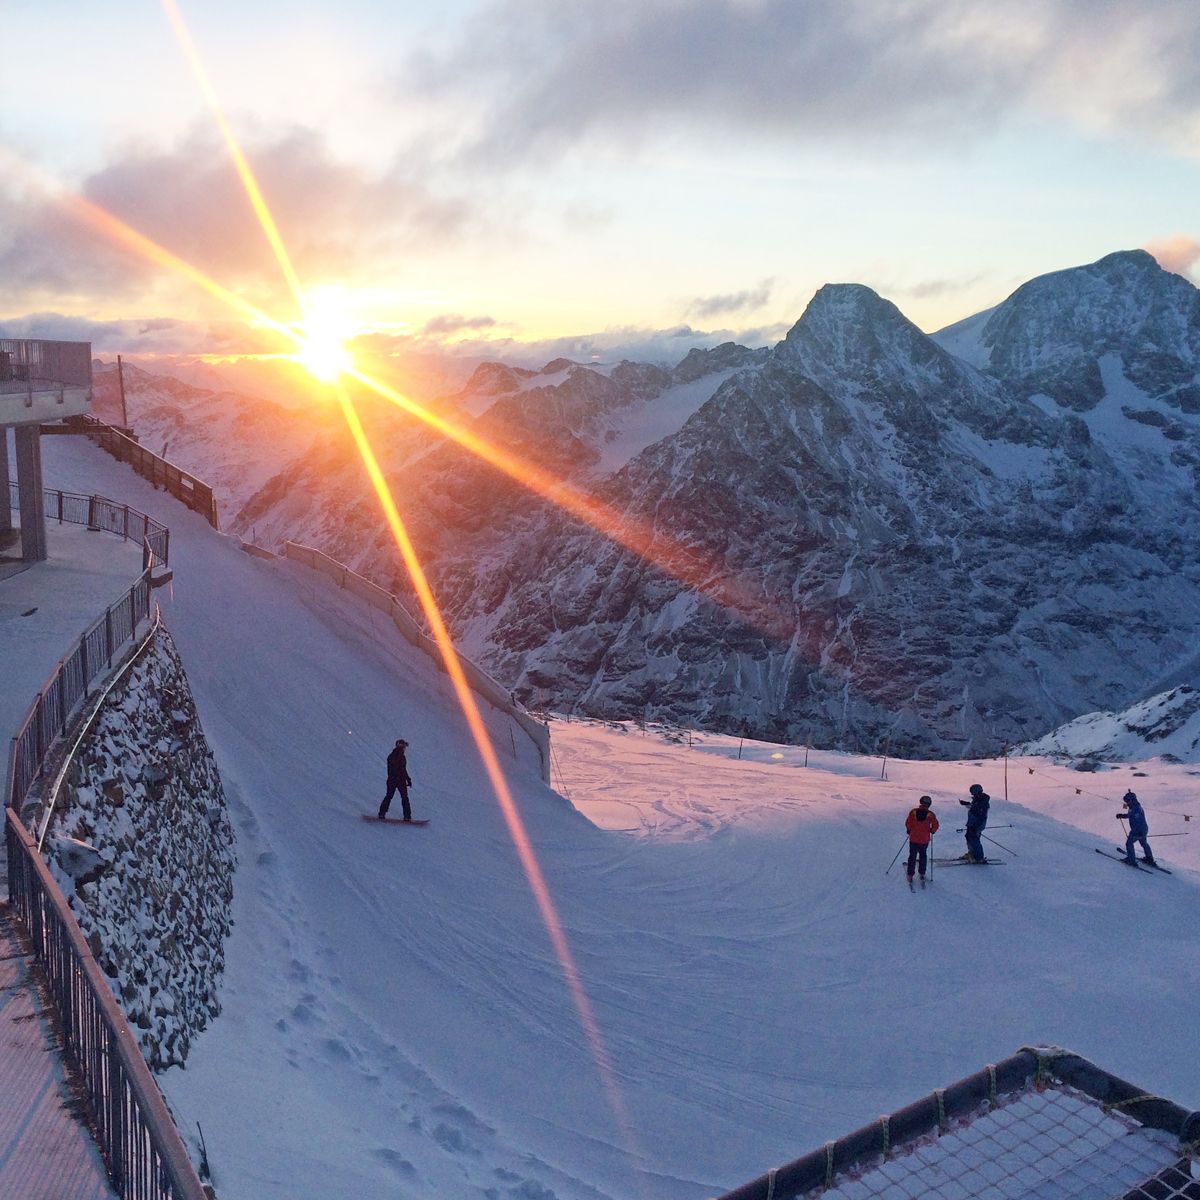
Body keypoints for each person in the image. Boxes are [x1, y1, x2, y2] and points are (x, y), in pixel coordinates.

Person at [905, 795, 939, 884]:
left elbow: (908, 822)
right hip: (924, 839)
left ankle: (910, 874)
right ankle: (922, 873)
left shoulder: (913, 812)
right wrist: (932, 830)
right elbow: (935, 825)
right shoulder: (930, 814)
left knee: (912, 856)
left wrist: (909, 830)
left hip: (913, 838)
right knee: (923, 855)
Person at [378, 738, 413, 821]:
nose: (404, 749)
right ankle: (407, 816)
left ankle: (382, 813)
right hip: (398, 780)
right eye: (404, 747)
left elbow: (402, 769)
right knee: (403, 797)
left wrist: (408, 779)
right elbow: (401, 769)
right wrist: (407, 779)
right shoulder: (398, 756)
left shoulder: (393, 756)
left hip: (393, 780)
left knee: (390, 796)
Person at [1118, 791, 1154, 866]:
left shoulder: (1136, 809)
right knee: (1143, 843)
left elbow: (1138, 821)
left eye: (1128, 801)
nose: (1127, 803)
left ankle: (1131, 860)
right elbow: (1130, 815)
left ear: (1132, 800)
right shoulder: (1134, 806)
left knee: (1129, 843)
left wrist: (1139, 832)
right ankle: (1149, 858)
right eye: (1126, 801)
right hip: (1143, 829)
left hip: (1138, 830)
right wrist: (1122, 816)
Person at [959, 783, 990, 863]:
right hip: (972, 823)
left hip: (977, 824)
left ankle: (979, 857)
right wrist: (966, 803)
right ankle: (972, 853)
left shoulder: (983, 802)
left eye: (973, 793)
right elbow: (973, 807)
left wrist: (976, 826)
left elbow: (981, 815)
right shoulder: (977, 799)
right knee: (969, 837)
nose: (973, 795)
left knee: (974, 839)